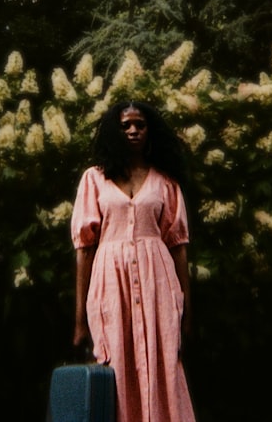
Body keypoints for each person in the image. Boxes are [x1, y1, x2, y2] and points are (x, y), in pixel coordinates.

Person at [72, 101, 197, 422]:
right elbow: (84, 248)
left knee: (162, 361)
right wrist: (79, 319)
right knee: (116, 363)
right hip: (110, 284)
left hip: (159, 283)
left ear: (149, 130)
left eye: (139, 124)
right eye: (125, 124)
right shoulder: (94, 180)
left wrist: (186, 310)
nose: (132, 130)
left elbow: (178, 246)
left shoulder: (165, 182)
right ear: (114, 131)